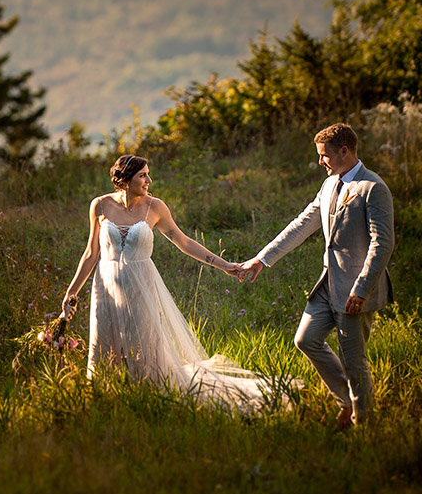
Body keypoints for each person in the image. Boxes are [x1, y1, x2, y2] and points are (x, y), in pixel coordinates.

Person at [59, 155, 291, 412]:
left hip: (141, 287)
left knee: (144, 346)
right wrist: (71, 294)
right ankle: (106, 401)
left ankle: (150, 398)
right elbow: (91, 253)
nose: (149, 180)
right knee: (106, 346)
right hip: (106, 289)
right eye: (142, 175)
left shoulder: (155, 207)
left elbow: (184, 243)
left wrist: (224, 265)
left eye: (148, 174)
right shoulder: (100, 206)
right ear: (124, 180)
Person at [238, 123, 394, 428]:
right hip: (327, 283)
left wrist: (362, 288)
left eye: (324, 155)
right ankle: (347, 404)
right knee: (306, 339)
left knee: (354, 360)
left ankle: (364, 425)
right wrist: (261, 259)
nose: (320, 161)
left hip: (355, 289)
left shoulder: (373, 188)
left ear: (344, 151)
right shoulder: (329, 185)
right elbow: (302, 224)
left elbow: (382, 243)